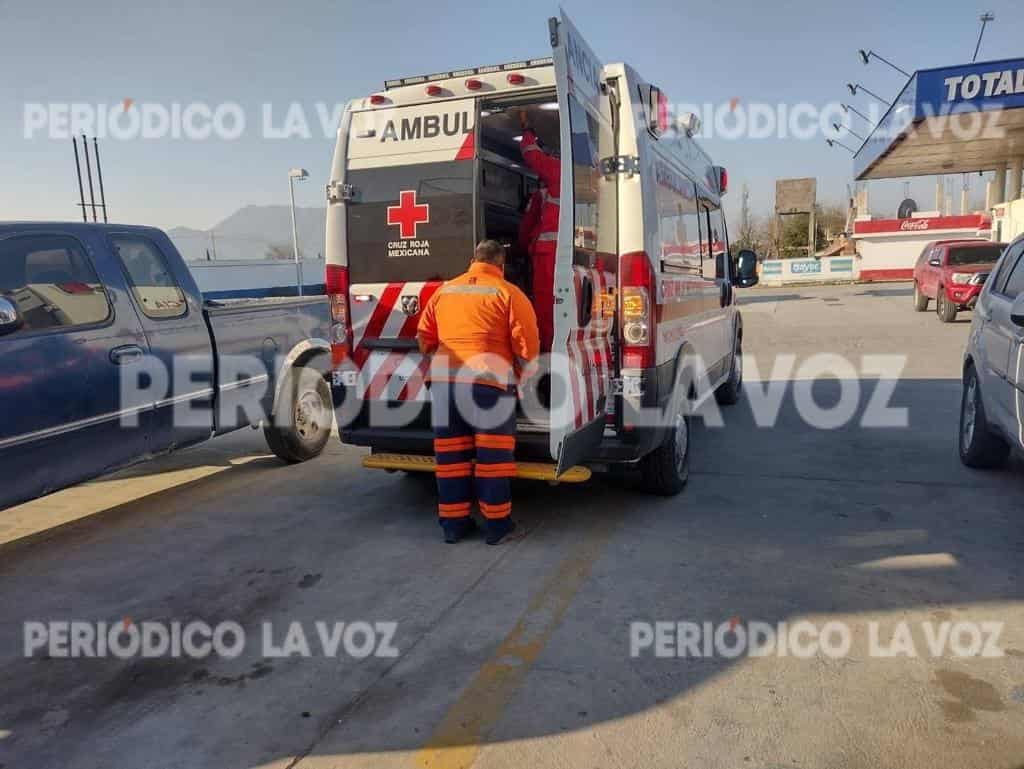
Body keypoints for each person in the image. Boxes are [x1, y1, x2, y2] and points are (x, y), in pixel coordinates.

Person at [417, 240, 540, 545]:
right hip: (490, 388)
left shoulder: (444, 291)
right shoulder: (509, 293)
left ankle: (453, 526)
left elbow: (424, 338)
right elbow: (527, 346)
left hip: (445, 387)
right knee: (493, 460)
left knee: (450, 460)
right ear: (501, 264)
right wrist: (524, 377)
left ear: (473, 259)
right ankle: (497, 527)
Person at [518, 110, 560, 353]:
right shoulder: (583, 176)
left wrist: (526, 129)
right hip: (570, 255)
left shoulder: (559, 171)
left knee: (546, 310)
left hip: (549, 257)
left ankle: (546, 355)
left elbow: (532, 155)